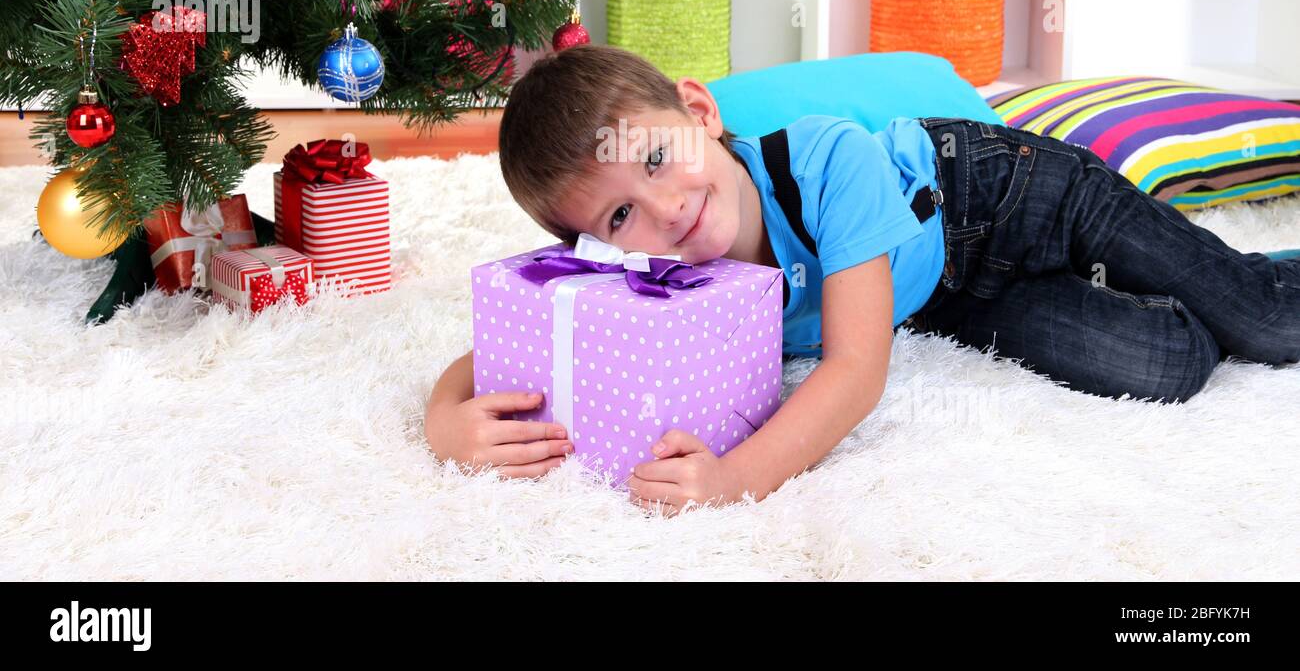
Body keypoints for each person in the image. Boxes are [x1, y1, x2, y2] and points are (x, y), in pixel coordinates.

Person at [423, 44, 1300, 514]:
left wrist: (734, 480)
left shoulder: (824, 159)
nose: (663, 212)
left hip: (1020, 195)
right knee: (1169, 365)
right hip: (954, 295)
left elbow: (855, 372)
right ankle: (1198, 282)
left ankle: (1243, 272)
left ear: (698, 112)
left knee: (1260, 321)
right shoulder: (648, 268)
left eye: (659, 158)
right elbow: (511, 342)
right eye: (617, 218)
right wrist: (444, 424)